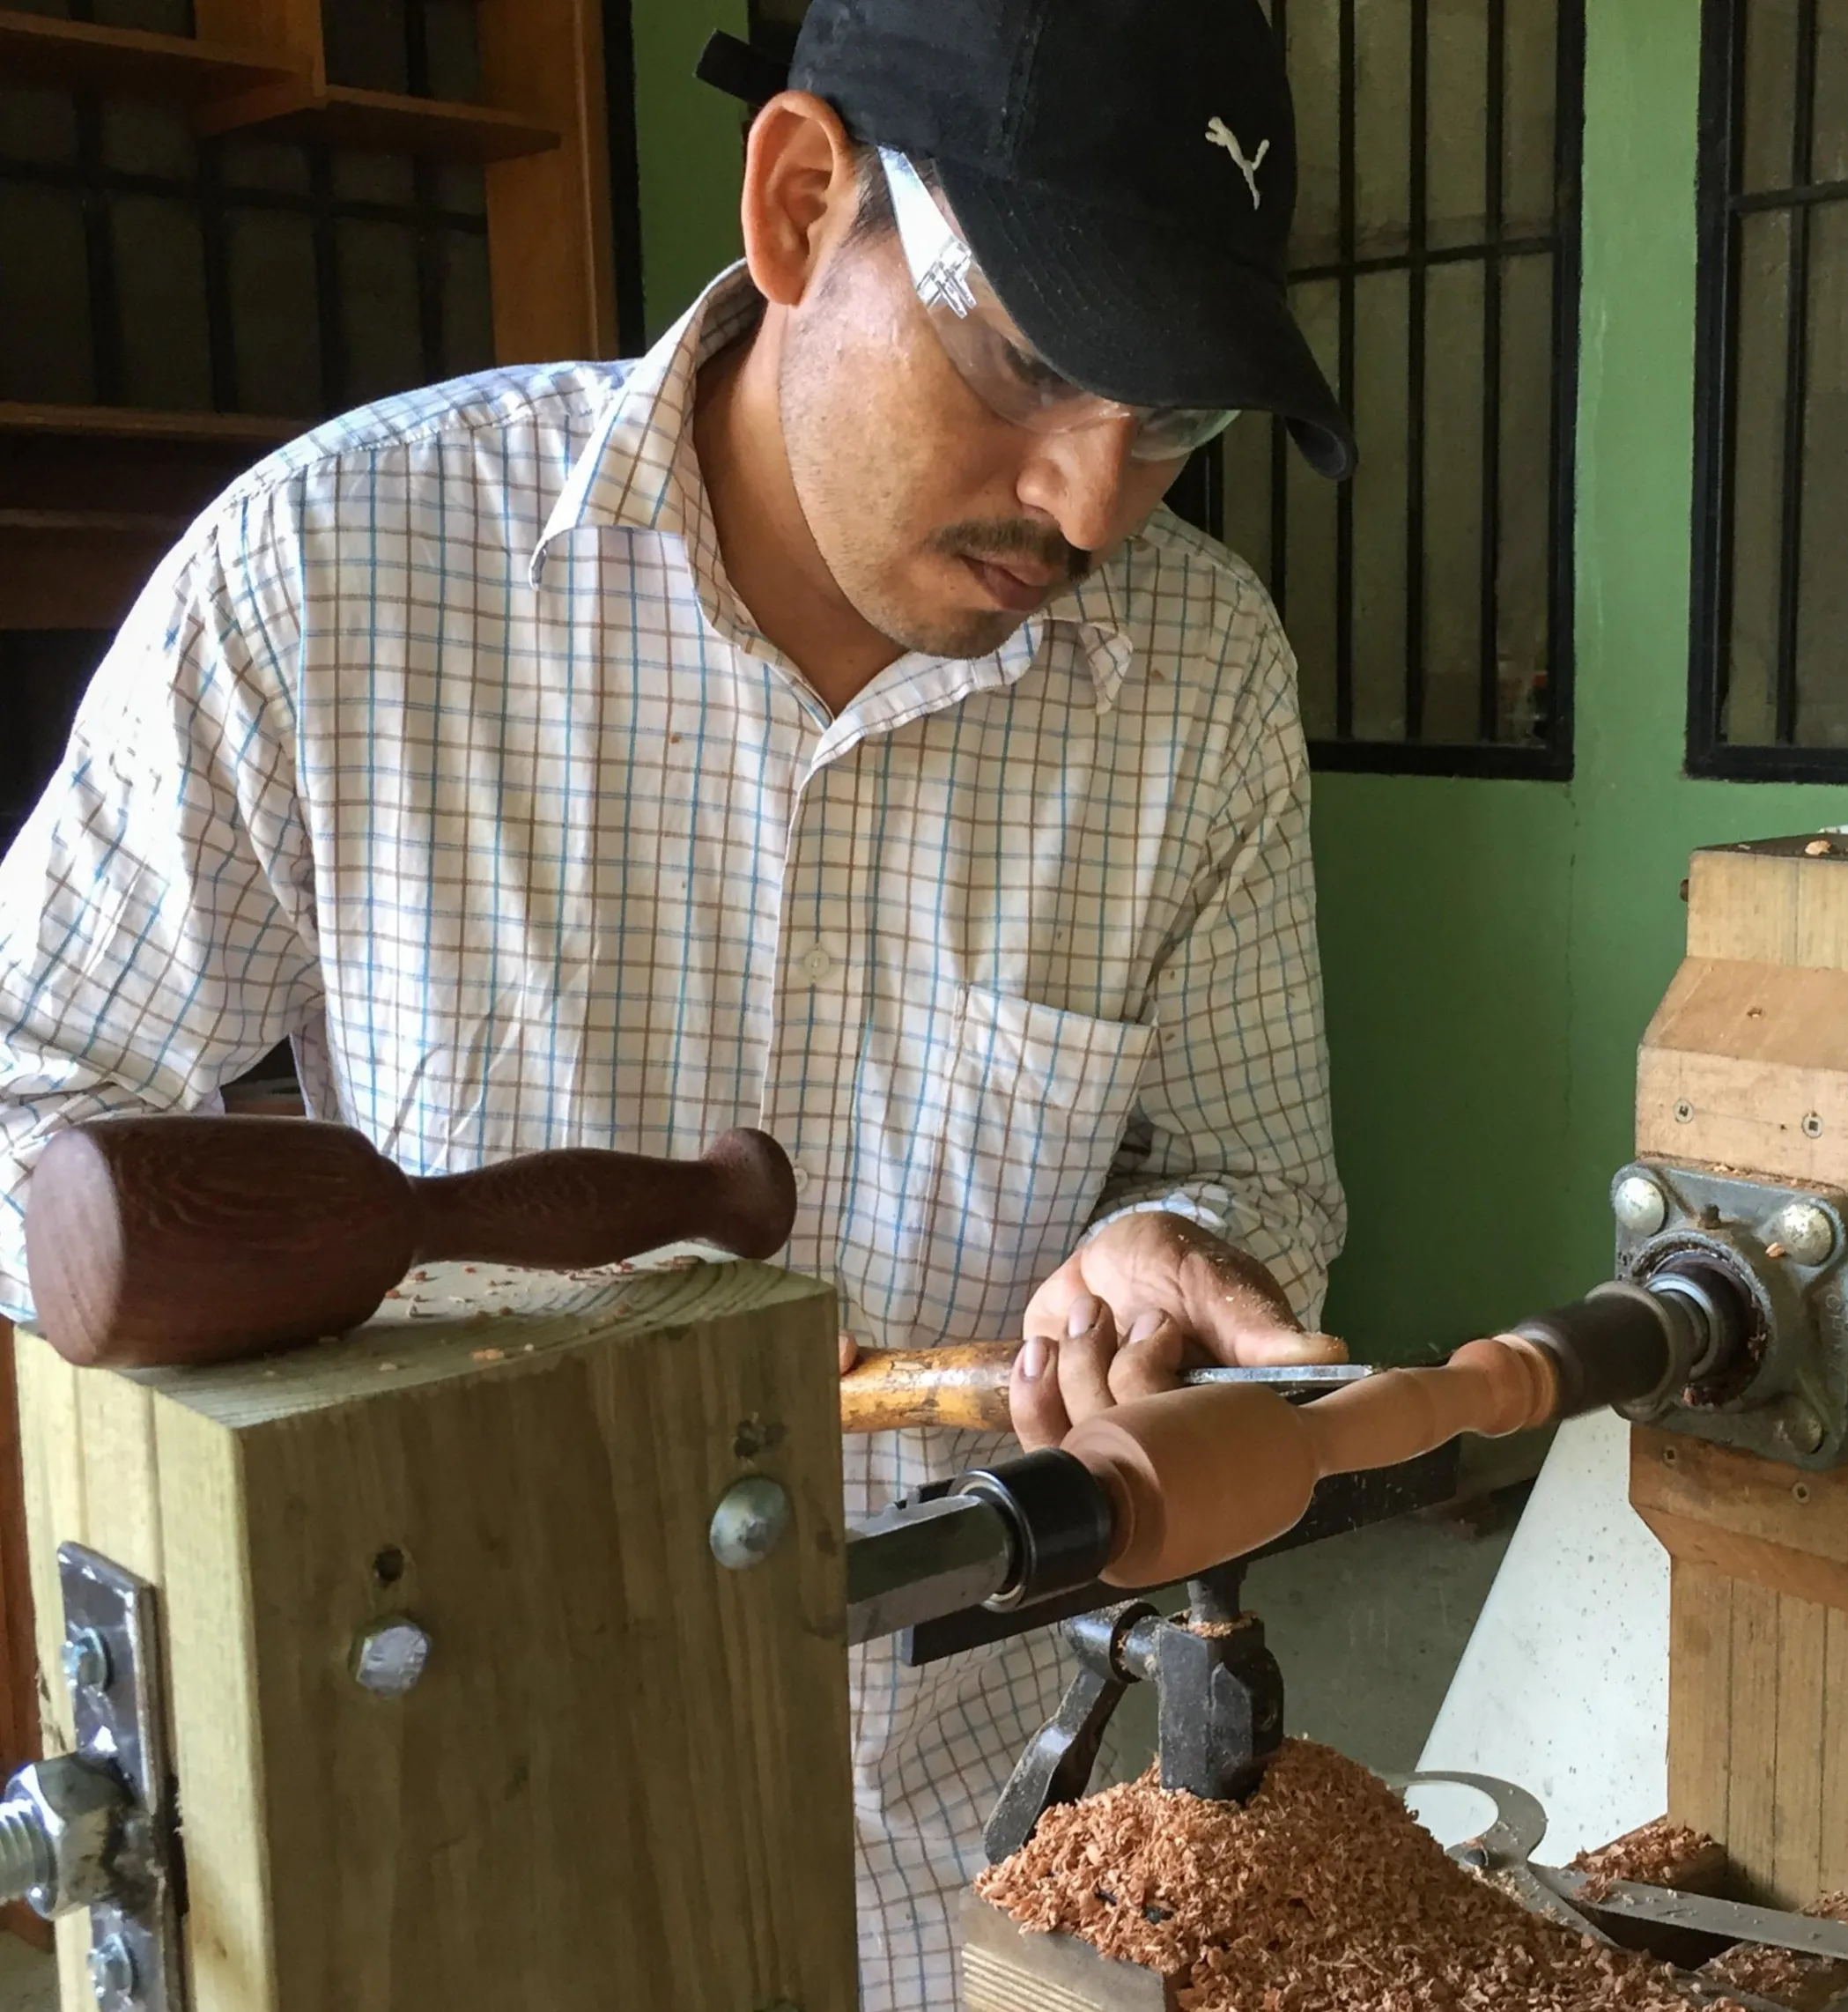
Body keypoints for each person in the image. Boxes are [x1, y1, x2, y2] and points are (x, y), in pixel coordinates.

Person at [0, 0, 1355, 2002]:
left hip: (944, 1865)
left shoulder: (1200, 680)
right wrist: (302, 1336)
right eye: (1035, 363)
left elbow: (1252, 1171)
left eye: (1169, 424)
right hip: (427, 1822)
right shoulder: (342, 577)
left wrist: (1182, 1252)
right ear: (802, 200)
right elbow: (29, 1101)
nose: (1087, 503)